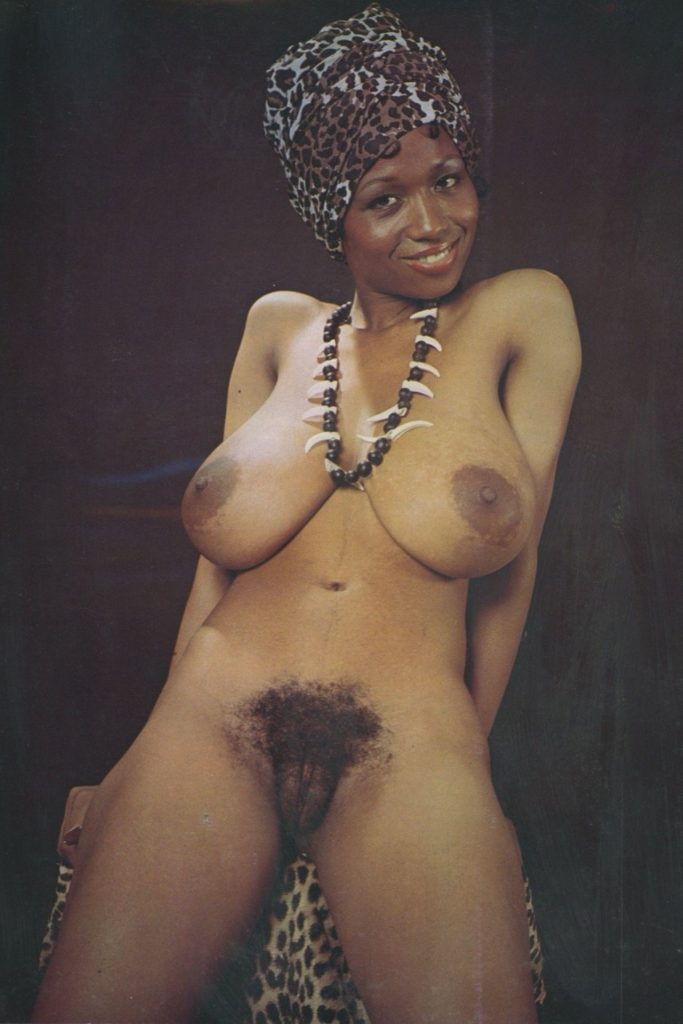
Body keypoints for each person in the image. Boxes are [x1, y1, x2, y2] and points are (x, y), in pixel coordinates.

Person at [33, 5, 580, 1023]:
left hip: (405, 739)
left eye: (448, 179)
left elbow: (515, 572)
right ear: (332, 217)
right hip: (209, 723)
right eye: (384, 199)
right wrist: (131, 765)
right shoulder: (277, 329)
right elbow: (217, 571)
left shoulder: (523, 313)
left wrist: (468, 768)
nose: (431, 221)